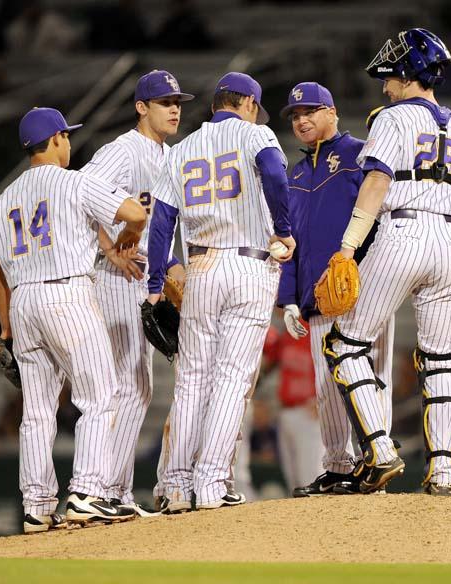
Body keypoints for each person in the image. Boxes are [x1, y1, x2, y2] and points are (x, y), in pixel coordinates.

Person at [322, 28, 451, 496]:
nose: (385, 83)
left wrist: (349, 245)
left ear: (409, 73)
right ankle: (443, 472)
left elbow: (376, 182)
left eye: (391, 74)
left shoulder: (393, 118)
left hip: (403, 230)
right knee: (441, 360)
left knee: (345, 344)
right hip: (450, 241)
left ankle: (381, 450)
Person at [0, 107, 146, 531]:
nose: (70, 142)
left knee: (36, 412)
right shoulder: (76, 182)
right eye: (66, 136)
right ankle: (88, 492)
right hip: (67, 294)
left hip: (23, 303)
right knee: (100, 395)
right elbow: (136, 212)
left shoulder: (2, 199)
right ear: (54, 139)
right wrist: (128, 236)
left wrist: (5, 328)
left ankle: (36, 506)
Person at [146, 72, 294, 513]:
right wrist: (284, 230)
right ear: (247, 102)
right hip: (249, 263)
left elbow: (160, 224)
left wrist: (156, 284)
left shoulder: (183, 149)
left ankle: (174, 486)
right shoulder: (256, 133)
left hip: (201, 267)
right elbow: (275, 175)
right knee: (231, 379)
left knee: (191, 380)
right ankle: (211, 483)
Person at [80, 70, 192, 517]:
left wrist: (175, 273)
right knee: (129, 383)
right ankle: (107, 492)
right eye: (165, 101)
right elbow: (81, 191)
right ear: (141, 107)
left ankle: (111, 491)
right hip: (118, 279)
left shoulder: (170, 155)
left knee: (134, 385)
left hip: (146, 278)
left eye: (177, 101)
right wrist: (109, 249)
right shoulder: (122, 150)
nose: (175, 108)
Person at [277, 82, 395, 497]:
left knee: (372, 376)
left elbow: (387, 218)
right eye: (294, 115)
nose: (301, 120)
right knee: (327, 384)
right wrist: (289, 298)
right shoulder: (292, 172)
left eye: (309, 110)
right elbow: (288, 240)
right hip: (317, 295)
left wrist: (376, 271)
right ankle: (339, 466)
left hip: (365, 288)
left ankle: (376, 459)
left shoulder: (361, 153)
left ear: (332, 111)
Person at [261, 324, 324, 493]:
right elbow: (268, 355)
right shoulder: (287, 333)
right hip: (286, 411)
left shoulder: (317, 328)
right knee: (293, 480)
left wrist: (325, 397)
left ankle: (321, 518)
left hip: (309, 411)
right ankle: (303, 520)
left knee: (311, 477)